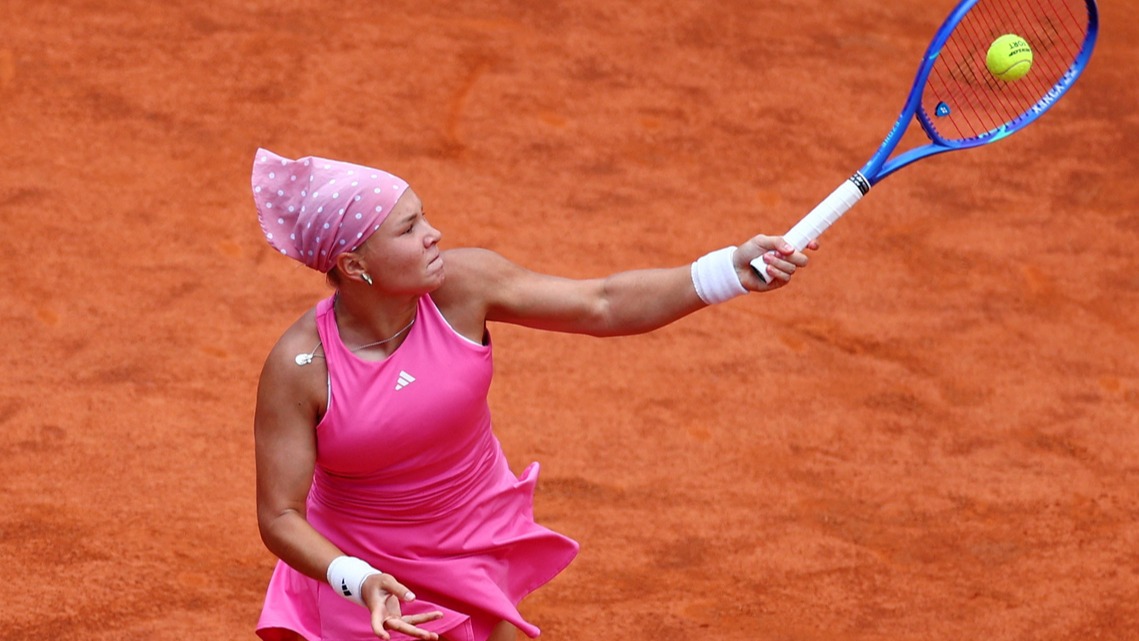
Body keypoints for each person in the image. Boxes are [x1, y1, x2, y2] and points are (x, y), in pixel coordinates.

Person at [250, 148, 816, 641]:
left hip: (473, 543)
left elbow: (602, 304)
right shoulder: (301, 368)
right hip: (366, 575)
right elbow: (280, 514)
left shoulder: (462, 286)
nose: (433, 234)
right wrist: (357, 578)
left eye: (423, 215)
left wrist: (727, 270)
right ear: (354, 265)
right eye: (408, 229)